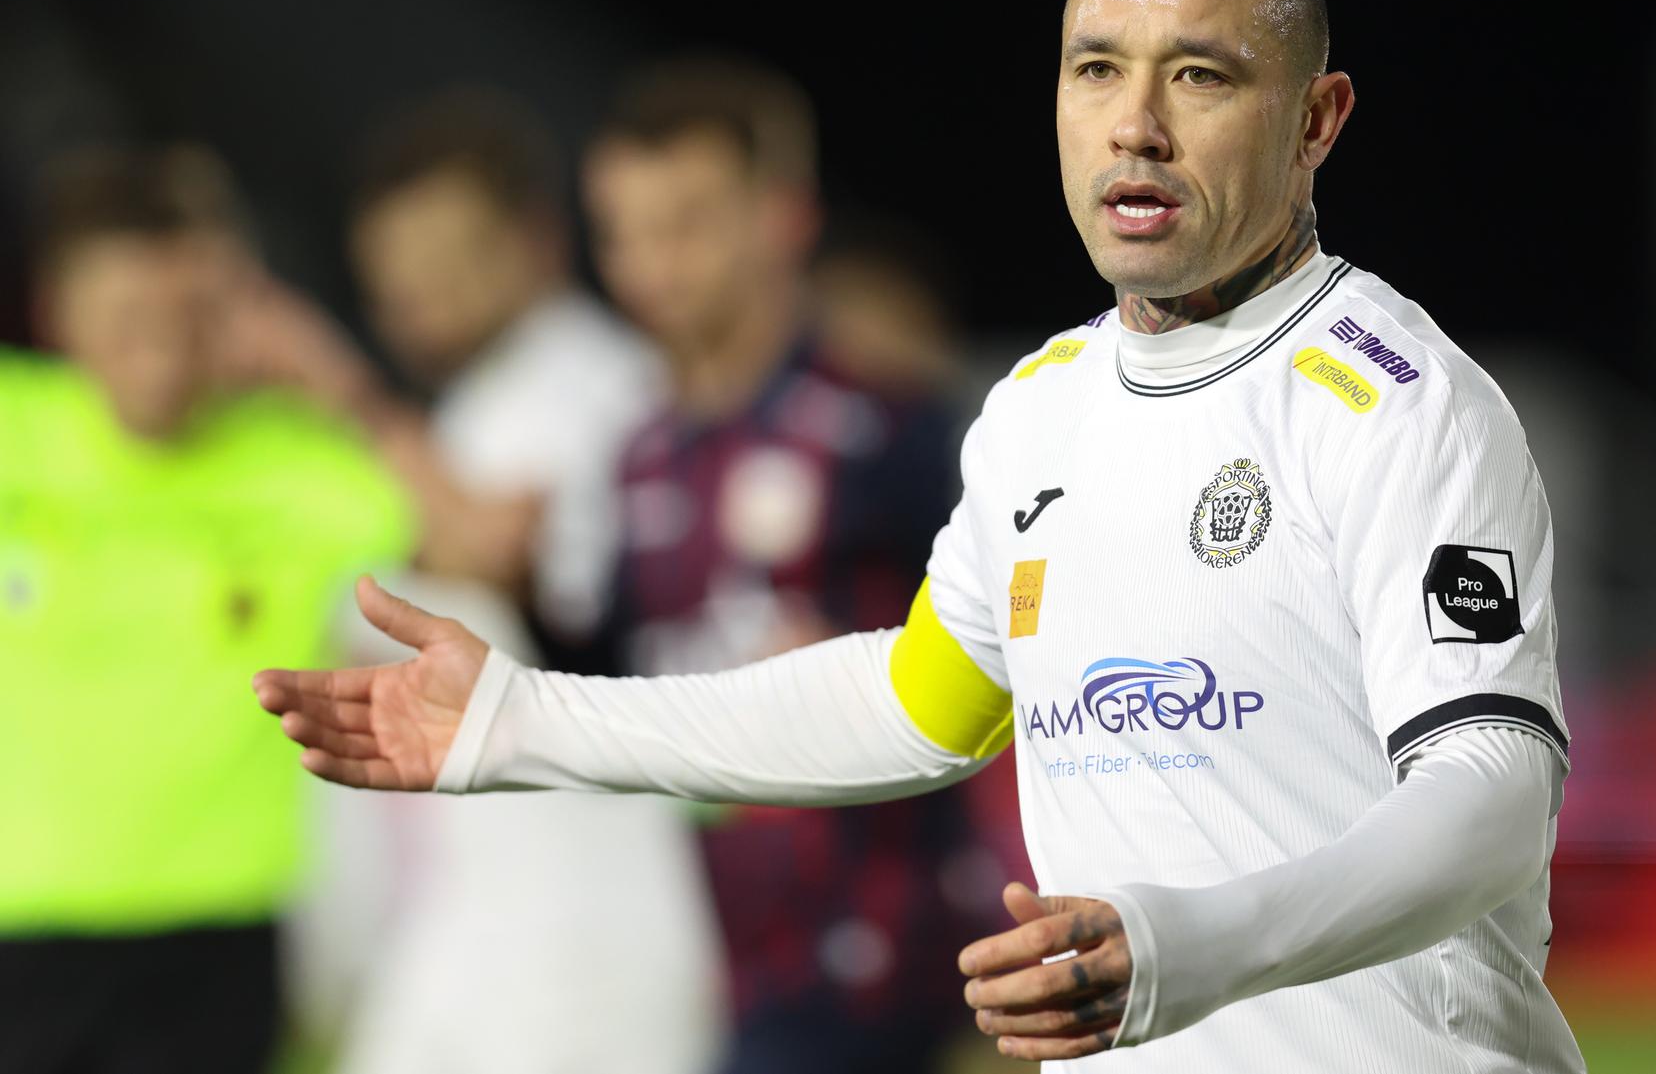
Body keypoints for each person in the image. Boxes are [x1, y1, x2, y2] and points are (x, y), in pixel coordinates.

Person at [257, 0, 1584, 1072]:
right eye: (1097, 70)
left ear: (1316, 120)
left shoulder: (1404, 406)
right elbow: (911, 700)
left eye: (1202, 76)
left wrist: (1188, 947)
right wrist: (521, 724)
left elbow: (1491, 797)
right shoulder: (1041, 410)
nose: (1137, 124)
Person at [233, 90, 724, 1074]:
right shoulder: (474, 409)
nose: (427, 294)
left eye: (454, 259)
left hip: (591, 919)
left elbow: (492, 548)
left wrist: (333, 387)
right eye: (400, 275)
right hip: (478, 912)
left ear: (539, 240)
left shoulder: (594, 383)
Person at [552, 56, 1009, 1072]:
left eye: (688, 222)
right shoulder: (636, 458)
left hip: (897, 961)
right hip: (721, 959)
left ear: (782, 217)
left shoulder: (887, 428)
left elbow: (1022, 662)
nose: (651, 262)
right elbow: (633, 684)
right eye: (623, 231)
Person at [0, 145, 415, 1073]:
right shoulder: (14, 427)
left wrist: (324, 364)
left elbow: (472, 540)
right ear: (58, 310)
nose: (157, 349)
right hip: (20, 929)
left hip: (222, 930)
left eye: (187, 315)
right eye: (125, 318)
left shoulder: (301, 462)